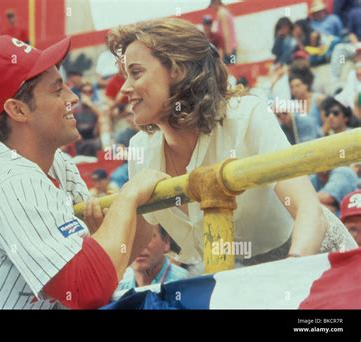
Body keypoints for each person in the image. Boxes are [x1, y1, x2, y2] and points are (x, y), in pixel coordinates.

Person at [0, 35, 167, 310]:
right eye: (57, 90)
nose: (72, 98)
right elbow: (87, 288)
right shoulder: (8, 178)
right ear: (17, 109)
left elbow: (114, 256)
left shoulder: (54, 161)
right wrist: (129, 197)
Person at [107, 18, 357, 267]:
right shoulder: (140, 149)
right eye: (125, 75)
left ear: (178, 69)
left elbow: (309, 210)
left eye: (136, 73)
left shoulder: (246, 115)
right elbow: (129, 248)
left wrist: (291, 271)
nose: (125, 88)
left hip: (314, 259)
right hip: (229, 281)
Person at [118, 225, 188, 291]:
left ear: (166, 242)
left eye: (147, 237)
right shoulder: (117, 289)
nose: (139, 246)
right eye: (132, 237)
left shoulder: (187, 285)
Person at [209, 0, 237, 64]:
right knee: (233, 65)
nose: (213, 8)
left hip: (228, 47)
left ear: (215, 3)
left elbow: (226, 32)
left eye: (212, 6)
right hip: (232, 46)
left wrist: (228, 49)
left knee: (230, 67)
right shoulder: (226, 11)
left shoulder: (221, 13)